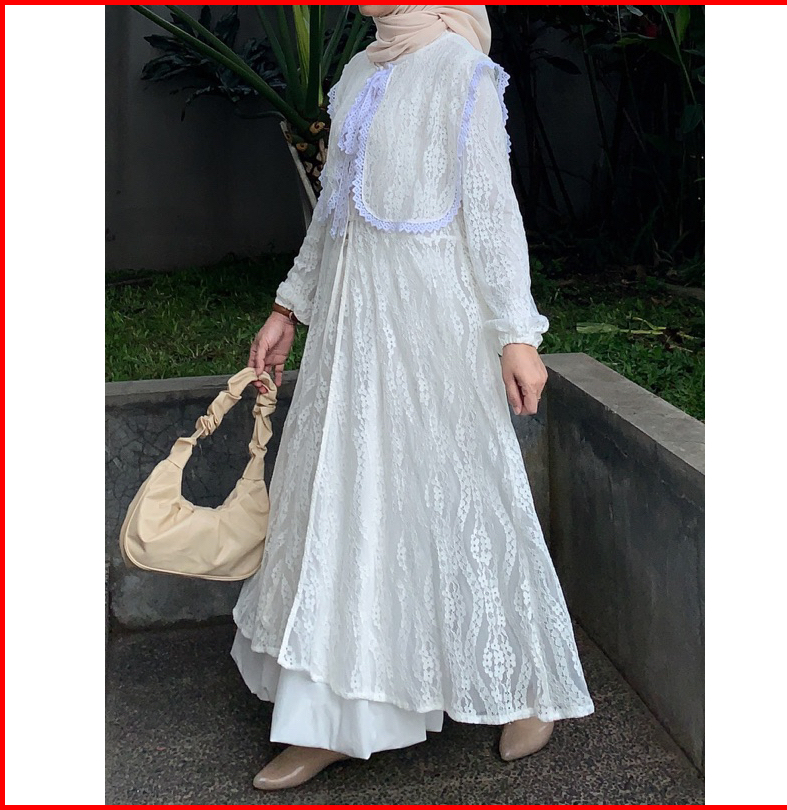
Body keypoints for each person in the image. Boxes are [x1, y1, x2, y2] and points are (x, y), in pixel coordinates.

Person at [233, 5, 595, 790]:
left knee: (470, 497)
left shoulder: (462, 71)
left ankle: (526, 685)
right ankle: (334, 716)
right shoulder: (356, 73)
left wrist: (516, 333)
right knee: (344, 497)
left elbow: (492, 208)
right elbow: (331, 212)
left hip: (433, 322)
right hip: (351, 327)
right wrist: (289, 307)